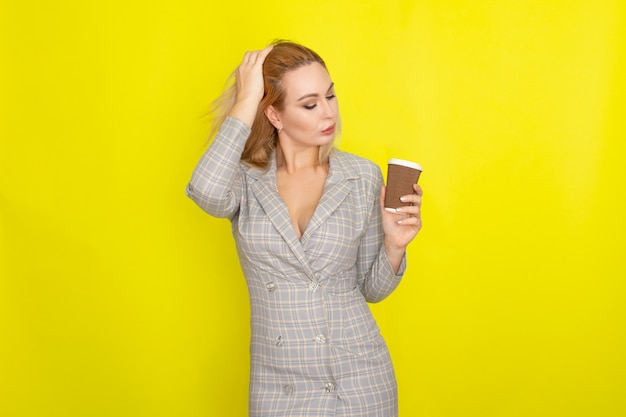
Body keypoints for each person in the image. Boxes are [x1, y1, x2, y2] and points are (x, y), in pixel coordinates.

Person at [186, 40, 423, 417]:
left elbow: (372, 289)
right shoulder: (246, 180)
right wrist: (246, 102)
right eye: (310, 104)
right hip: (278, 384)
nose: (328, 113)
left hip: (359, 379)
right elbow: (204, 190)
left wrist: (395, 245)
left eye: (330, 96)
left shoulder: (361, 176)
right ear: (275, 116)